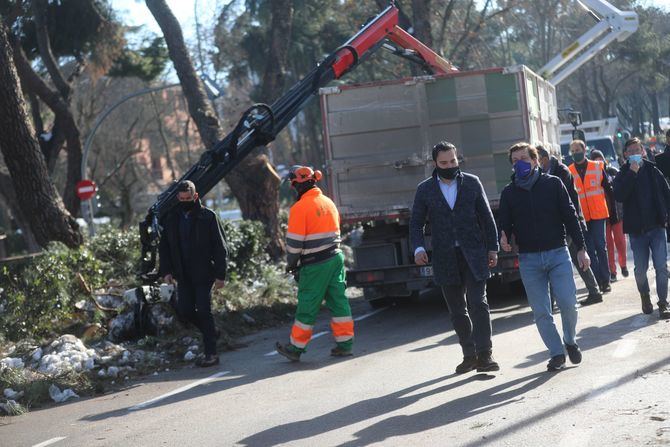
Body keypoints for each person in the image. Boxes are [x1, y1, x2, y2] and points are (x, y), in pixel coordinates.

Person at [410, 141, 500, 374]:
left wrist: (493, 248)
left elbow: (487, 218)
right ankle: (469, 355)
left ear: (458, 159)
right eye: (444, 162)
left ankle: (485, 354)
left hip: (474, 253)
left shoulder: (471, 182)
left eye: (453, 161)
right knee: (457, 311)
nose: (449, 165)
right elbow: (416, 223)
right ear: (435, 163)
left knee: (478, 302)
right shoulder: (425, 189)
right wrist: (419, 248)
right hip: (445, 257)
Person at [499, 142, 590, 371]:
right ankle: (557, 353)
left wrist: (581, 248)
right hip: (529, 259)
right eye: (515, 161)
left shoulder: (553, 184)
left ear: (535, 160)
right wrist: (504, 237)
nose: (520, 164)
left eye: (524, 159)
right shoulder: (509, 193)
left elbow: (571, 216)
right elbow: (505, 223)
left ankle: (569, 340)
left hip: (558, 253)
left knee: (568, 304)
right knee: (541, 311)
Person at [275, 166, 354, 361]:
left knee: (307, 305)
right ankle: (345, 345)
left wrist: (291, 264)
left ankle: (295, 348)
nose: (293, 189)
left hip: (315, 263)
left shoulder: (300, 208)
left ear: (297, 184)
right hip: (335, 258)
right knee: (339, 302)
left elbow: (294, 244)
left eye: (294, 185)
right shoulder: (328, 202)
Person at [159, 180, 228, 367]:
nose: (185, 201)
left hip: (204, 273)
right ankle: (211, 331)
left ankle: (211, 354)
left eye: (188, 198)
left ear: (195, 196)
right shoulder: (172, 218)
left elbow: (220, 247)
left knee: (204, 310)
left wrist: (221, 275)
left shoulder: (208, 217)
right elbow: (164, 247)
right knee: (185, 311)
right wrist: (165, 271)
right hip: (183, 274)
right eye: (181, 198)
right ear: (177, 198)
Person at [537, 145, 603, 305]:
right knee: (575, 258)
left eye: (536, 159)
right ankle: (594, 291)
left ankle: (554, 300)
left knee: (558, 259)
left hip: (568, 223)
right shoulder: (545, 172)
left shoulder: (561, 171)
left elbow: (563, 201)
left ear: (544, 159)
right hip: (560, 224)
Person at [613, 138, 670, 319]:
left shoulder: (653, 170)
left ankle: (663, 303)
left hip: (657, 227)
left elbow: (666, 193)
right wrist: (632, 173)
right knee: (640, 271)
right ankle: (645, 295)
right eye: (631, 151)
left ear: (643, 151)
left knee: (661, 267)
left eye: (638, 150)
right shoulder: (622, 174)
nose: (635, 153)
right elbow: (619, 195)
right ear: (626, 155)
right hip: (637, 232)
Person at [568, 140, 613, 293]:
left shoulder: (597, 166)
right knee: (589, 249)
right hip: (582, 217)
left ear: (584, 149)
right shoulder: (569, 171)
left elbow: (608, 188)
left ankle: (606, 280)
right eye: (572, 151)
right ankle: (599, 280)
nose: (575, 153)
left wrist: (614, 213)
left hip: (598, 213)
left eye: (577, 150)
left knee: (601, 247)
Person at [589, 150, 628, 281]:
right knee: (608, 246)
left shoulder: (613, 172)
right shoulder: (592, 176)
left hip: (616, 214)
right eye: (596, 160)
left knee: (621, 242)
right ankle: (613, 271)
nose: (599, 162)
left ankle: (623, 265)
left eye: (600, 158)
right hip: (601, 216)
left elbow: (621, 188)